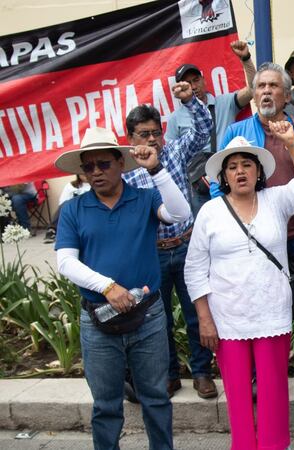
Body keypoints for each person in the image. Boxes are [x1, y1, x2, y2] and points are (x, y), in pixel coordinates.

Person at [55, 127, 192, 450]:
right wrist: (108, 287)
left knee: (156, 397)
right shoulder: (74, 209)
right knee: (106, 405)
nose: (96, 172)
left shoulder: (144, 198)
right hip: (98, 319)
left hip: (148, 316)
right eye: (88, 167)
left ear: (120, 163)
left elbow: (180, 213)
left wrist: (156, 170)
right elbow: (66, 262)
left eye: (103, 164)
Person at [185, 123, 294, 450]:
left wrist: (292, 144)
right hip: (227, 319)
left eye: (247, 164)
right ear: (224, 176)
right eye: (232, 167)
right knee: (238, 398)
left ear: (258, 171)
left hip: (271, 314)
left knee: (274, 393)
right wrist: (204, 318)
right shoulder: (210, 212)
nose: (240, 171)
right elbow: (195, 268)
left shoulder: (276, 200)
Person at [218, 62, 294, 404]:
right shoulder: (237, 131)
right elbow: (218, 183)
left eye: (274, 86)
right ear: (254, 95)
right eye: (261, 86)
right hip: (256, 242)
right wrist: (230, 222)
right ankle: (261, 376)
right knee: (259, 307)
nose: (267, 91)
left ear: (287, 95)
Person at [122, 81, 215, 399]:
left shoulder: (174, 150)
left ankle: (202, 373)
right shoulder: (126, 172)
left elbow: (203, 130)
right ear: (130, 139)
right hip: (153, 254)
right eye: (143, 134)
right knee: (158, 320)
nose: (151, 139)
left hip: (187, 246)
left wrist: (191, 102)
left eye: (155, 133)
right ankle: (170, 375)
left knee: (196, 313)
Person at [167, 40, 256, 216]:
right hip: (198, 185)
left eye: (196, 80)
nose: (193, 86)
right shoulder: (175, 119)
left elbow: (254, 90)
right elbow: (172, 157)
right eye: (187, 83)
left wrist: (246, 58)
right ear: (179, 88)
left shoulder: (225, 103)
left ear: (204, 80)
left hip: (229, 176)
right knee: (205, 226)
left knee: (235, 222)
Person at [42, 175, 90, 244]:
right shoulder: (71, 185)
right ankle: (52, 230)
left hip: (89, 210)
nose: (84, 174)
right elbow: (62, 201)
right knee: (64, 205)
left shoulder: (96, 185)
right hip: (74, 210)